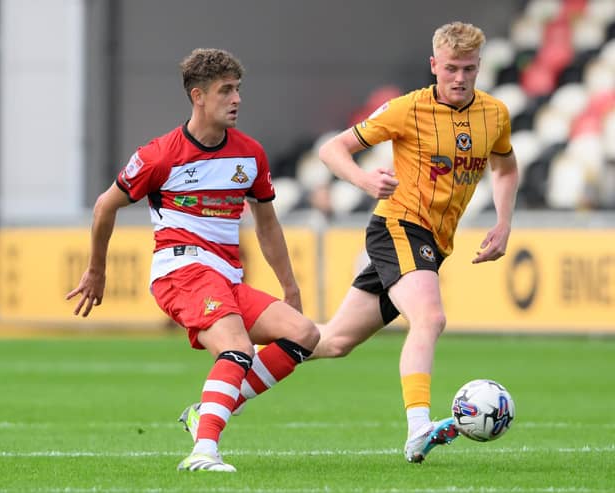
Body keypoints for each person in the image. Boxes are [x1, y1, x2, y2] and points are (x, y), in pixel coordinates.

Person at [66, 48, 320, 473]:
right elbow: (104, 206)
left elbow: (268, 225)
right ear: (198, 96)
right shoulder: (159, 155)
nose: (237, 99)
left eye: (238, 89)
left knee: (303, 335)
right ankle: (204, 452)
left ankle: (208, 410)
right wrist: (97, 269)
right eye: (226, 91)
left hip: (228, 277)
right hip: (180, 271)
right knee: (237, 348)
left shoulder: (250, 154)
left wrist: (290, 286)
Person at [312, 21, 520, 463]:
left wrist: (503, 222)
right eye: (450, 69)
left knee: (332, 341)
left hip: (435, 241)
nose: (459, 78)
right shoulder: (406, 109)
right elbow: (333, 149)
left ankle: (232, 377)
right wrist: (366, 179)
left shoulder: (495, 114)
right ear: (433, 66)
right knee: (430, 317)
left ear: (480, 66)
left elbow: (505, 168)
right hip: (399, 226)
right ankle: (418, 428)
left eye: (468, 69)